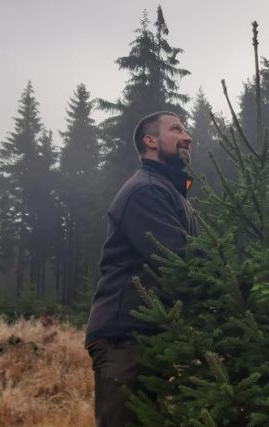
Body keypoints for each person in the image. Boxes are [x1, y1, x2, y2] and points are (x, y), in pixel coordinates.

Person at [85, 111, 198, 426]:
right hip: (124, 336)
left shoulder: (172, 192)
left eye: (185, 129)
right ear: (150, 141)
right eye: (175, 129)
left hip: (149, 335)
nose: (187, 136)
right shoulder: (144, 191)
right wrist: (241, 285)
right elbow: (178, 259)